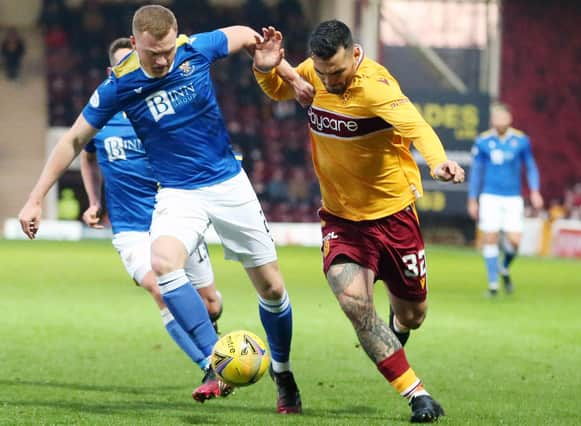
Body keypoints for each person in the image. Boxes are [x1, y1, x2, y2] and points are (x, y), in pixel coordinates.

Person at [18, 5, 312, 413]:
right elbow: (72, 142)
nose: (163, 60)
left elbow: (246, 34)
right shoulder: (118, 87)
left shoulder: (195, 50)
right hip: (177, 192)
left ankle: (284, 374)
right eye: (154, 53)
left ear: (178, 38)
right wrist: (35, 198)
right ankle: (216, 361)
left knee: (273, 289)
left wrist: (286, 74)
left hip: (228, 182)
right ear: (135, 43)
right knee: (163, 263)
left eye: (169, 50)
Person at [252, 20, 465, 423]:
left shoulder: (377, 88)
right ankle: (417, 395)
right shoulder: (315, 71)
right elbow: (281, 88)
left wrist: (438, 162)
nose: (328, 81)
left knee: (413, 315)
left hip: (394, 217)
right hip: (341, 220)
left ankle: (396, 327)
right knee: (355, 306)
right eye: (322, 71)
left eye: (336, 72)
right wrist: (265, 69)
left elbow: (418, 127)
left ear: (355, 53)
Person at [80, 37, 223, 374]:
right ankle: (210, 366)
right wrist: (94, 200)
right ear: (112, 71)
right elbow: (85, 157)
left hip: (173, 220)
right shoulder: (99, 117)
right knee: (159, 291)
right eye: (122, 63)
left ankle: (210, 337)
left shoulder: (157, 112)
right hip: (131, 228)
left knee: (211, 303)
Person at [467, 102, 543, 296]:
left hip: (512, 197)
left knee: (515, 241)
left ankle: (504, 267)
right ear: (492, 120)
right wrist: (472, 199)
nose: (500, 120)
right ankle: (493, 284)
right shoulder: (482, 141)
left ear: (510, 119)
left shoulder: (521, 140)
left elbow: (531, 166)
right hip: (490, 195)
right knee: (490, 237)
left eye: (503, 117)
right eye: (497, 117)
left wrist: (534, 191)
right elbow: (476, 171)